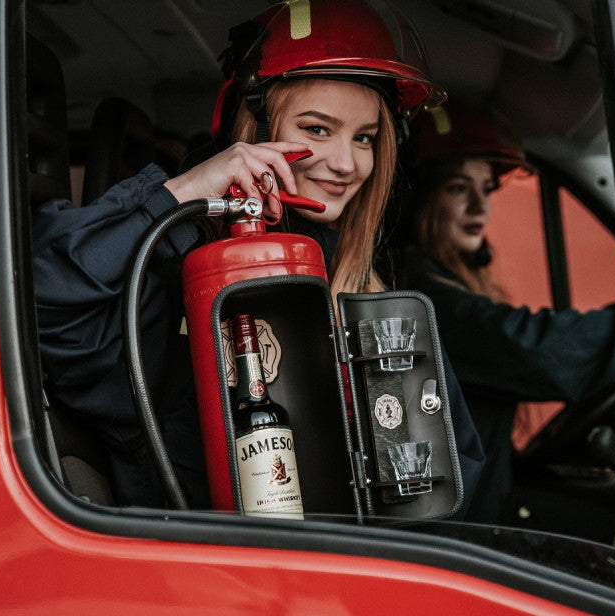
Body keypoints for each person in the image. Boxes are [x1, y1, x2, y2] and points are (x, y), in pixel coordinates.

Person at [31, 0, 484, 509]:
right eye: (317, 129)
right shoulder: (175, 274)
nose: (346, 162)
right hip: (206, 554)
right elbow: (37, 298)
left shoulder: (367, 289)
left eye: (364, 138)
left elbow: (454, 468)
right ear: (256, 128)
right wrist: (182, 193)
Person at [393, 98, 615, 523]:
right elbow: (536, 351)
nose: (480, 207)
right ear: (420, 197)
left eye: (486, 189)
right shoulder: (420, 298)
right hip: (455, 533)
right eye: (458, 188)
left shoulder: (443, 282)